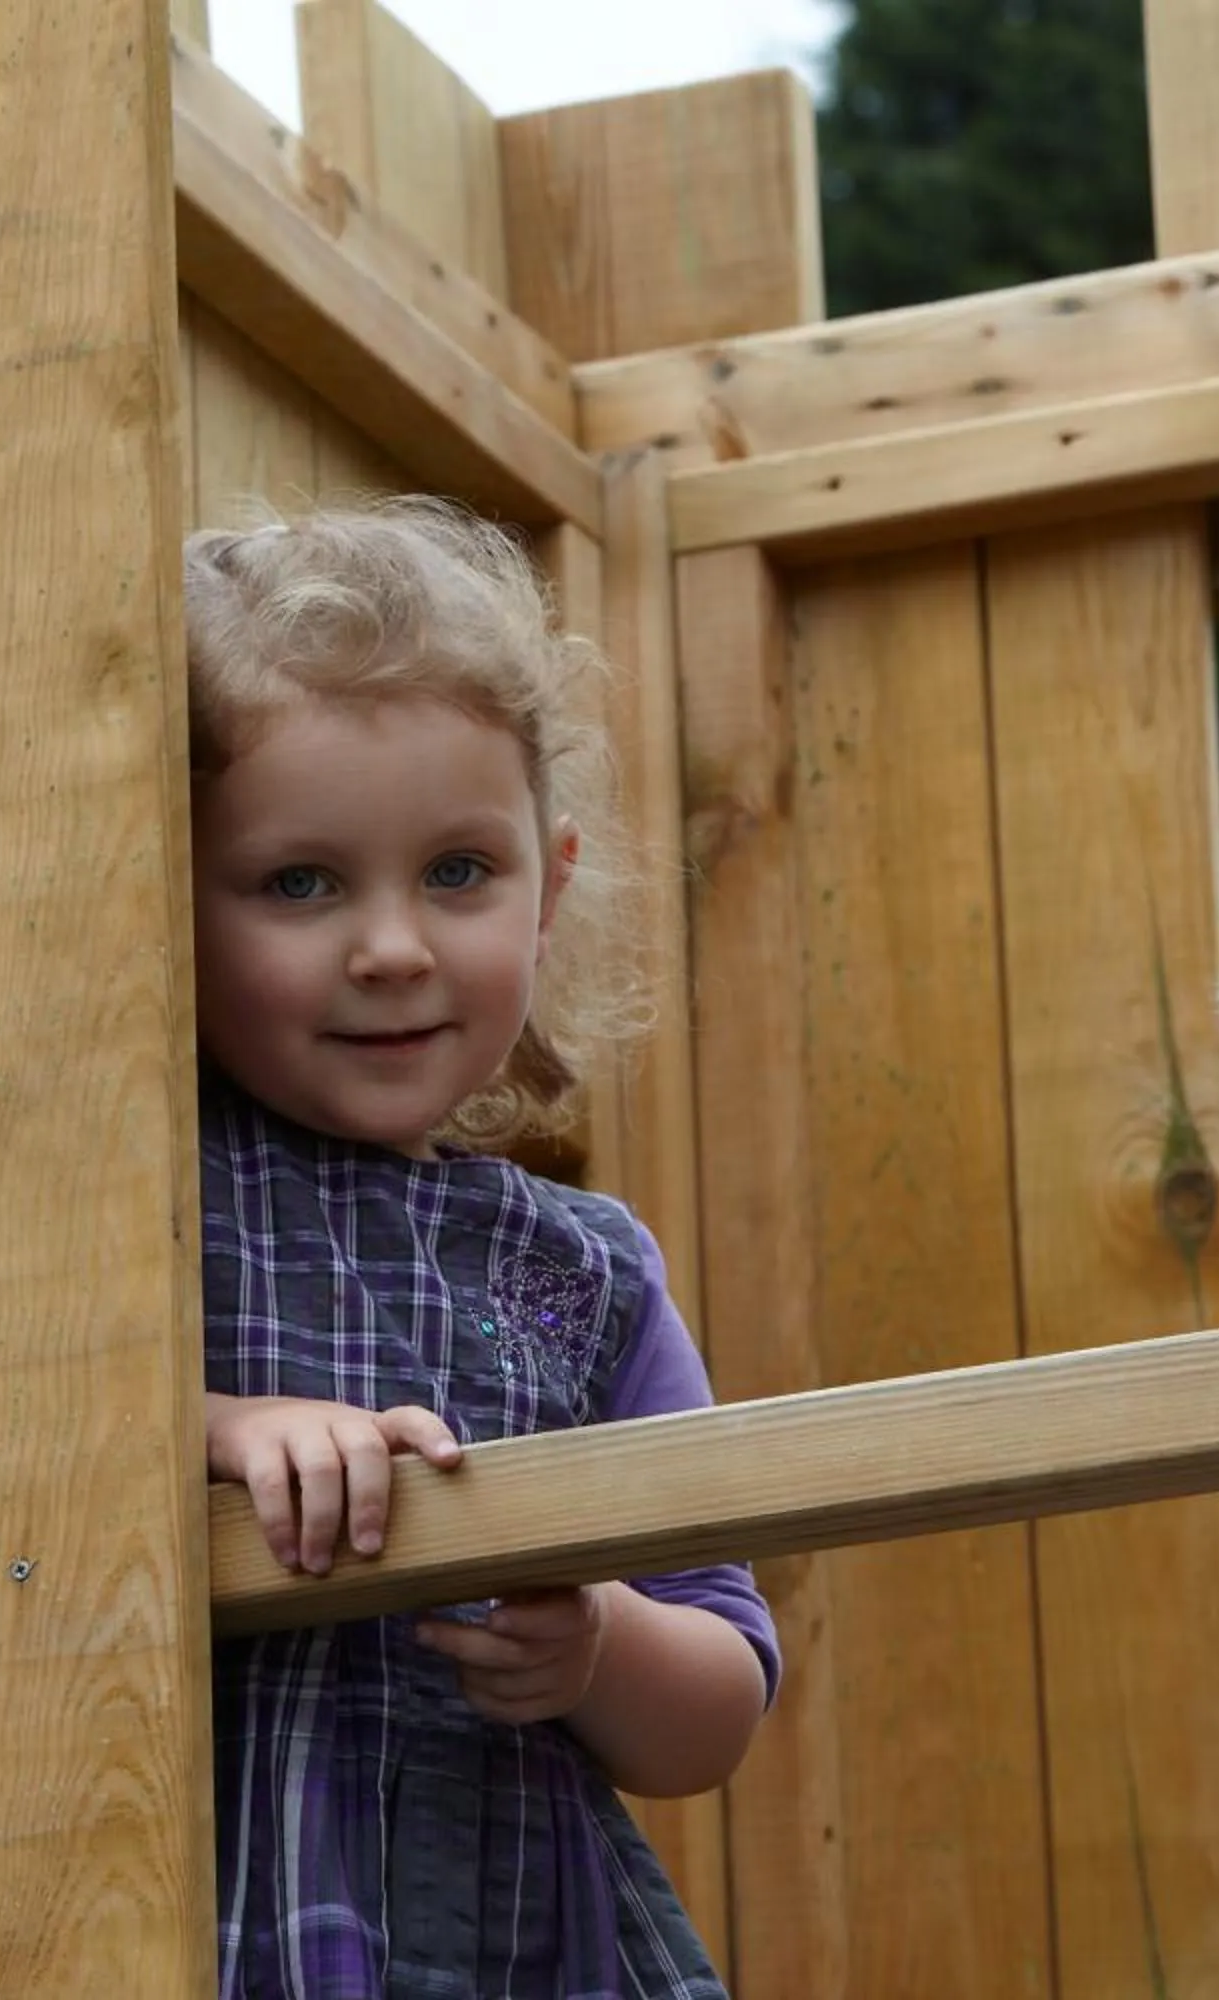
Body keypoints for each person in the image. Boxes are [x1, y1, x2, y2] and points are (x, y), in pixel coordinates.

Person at [186, 501, 777, 1995]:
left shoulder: (587, 1271)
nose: (394, 947)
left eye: (459, 873)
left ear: (551, 880)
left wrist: (593, 1655)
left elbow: (717, 1699)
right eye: (300, 884)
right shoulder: (120, 1199)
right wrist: (221, 1429)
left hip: (521, 1936)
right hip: (202, 1906)